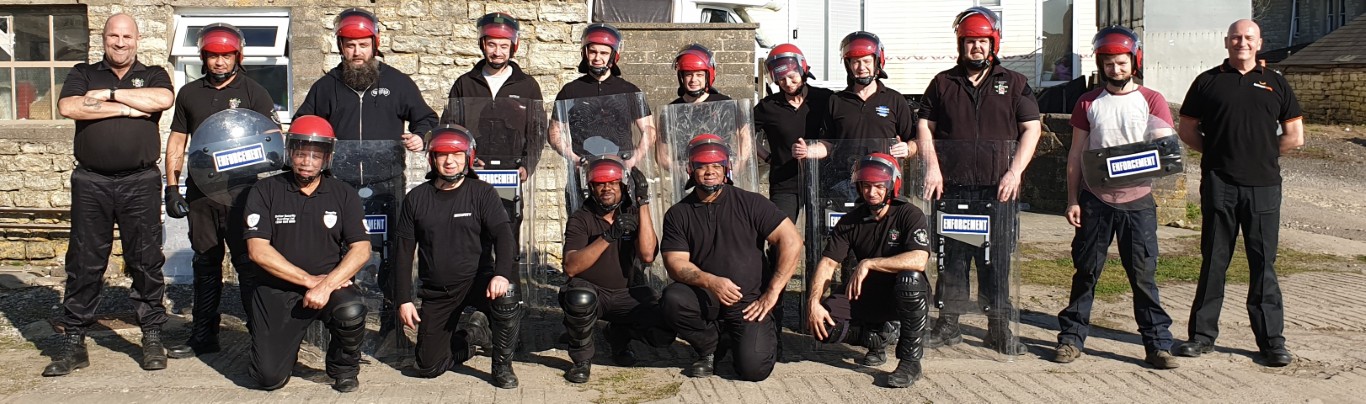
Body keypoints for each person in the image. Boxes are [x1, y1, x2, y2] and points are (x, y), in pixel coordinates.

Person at [295, 7, 438, 345]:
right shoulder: (326, 86)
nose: (356, 52)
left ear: (375, 44)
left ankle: (391, 328)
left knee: (391, 255)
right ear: (340, 46)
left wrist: (421, 137)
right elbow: (304, 125)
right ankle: (335, 325)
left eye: (362, 45)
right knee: (334, 253)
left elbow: (427, 118)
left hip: (386, 185)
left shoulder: (397, 83)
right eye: (349, 45)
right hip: (338, 187)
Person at [45, 13, 175, 377]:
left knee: (146, 259)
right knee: (84, 261)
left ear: (137, 39)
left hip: (140, 181)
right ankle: (74, 341)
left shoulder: (154, 73)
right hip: (91, 182)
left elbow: (163, 99)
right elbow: (69, 106)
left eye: (126, 36)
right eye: (113, 36)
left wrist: (109, 95)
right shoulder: (83, 73)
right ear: (103, 39)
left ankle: (152, 335)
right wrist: (129, 109)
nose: (120, 42)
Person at [1174, 19, 1303, 368]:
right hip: (1220, 185)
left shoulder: (1276, 82)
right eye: (1235, 37)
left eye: (1248, 37)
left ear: (1259, 43)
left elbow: (1295, 136)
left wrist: (1262, 154)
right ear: (1226, 42)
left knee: (1263, 265)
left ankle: (1272, 342)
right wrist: (1219, 154)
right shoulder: (1207, 82)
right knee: (1214, 261)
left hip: (1264, 188)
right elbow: (1187, 129)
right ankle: (1201, 337)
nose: (1241, 42)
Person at [917, 6, 1041, 355]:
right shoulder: (943, 83)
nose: (976, 47)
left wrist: (1015, 172)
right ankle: (948, 324)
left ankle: (998, 328)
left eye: (982, 41)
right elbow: (924, 125)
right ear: (961, 44)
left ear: (993, 43)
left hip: (997, 190)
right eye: (970, 41)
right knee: (952, 259)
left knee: (995, 261)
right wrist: (932, 167)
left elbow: (1032, 128)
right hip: (952, 189)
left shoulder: (1015, 83)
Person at [1053, 26, 1179, 369]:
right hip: (1095, 201)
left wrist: (1134, 162)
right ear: (1100, 64)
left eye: (1121, 63)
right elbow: (1076, 154)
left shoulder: (1152, 100)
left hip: (1138, 203)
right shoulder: (1088, 102)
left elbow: (1166, 152)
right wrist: (1072, 199)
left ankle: (1158, 344)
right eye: (1109, 63)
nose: (1115, 69)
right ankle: (1071, 338)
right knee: (1086, 272)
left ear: (1134, 61)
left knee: (1142, 276)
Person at [163, 22, 279, 359]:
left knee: (250, 264)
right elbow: (177, 141)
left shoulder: (255, 92)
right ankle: (203, 337)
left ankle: (262, 337)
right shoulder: (189, 94)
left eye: (226, 55)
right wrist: (172, 187)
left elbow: (274, 140)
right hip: (202, 194)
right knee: (205, 264)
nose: (219, 62)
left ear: (237, 57)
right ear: (203, 57)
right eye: (213, 55)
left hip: (244, 194)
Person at [658, 134, 803, 381]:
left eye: (717, 165)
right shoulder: (678, 213)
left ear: (727, 168)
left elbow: (791, 240)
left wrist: (772, 293)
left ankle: (739, 339)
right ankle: (709, 347)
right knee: (673, 300)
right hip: (706, 297)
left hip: (749, 304)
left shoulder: (752, 203)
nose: (710, 172)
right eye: (702, 166)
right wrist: (710, 281)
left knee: (753, 370)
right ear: (690, 169)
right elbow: (675, 263)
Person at [241, 116, 370, 392]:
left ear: (327, 158)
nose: (307, 162)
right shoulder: (265, 190)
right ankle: (279, 354)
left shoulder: (343, 193)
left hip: (328, 288)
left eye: (315, 155)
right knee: (268, 379)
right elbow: (257, 250)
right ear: (290, 153)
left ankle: (344, 368)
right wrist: (310, 281)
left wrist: (327, 285)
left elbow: (362, 249)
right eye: (301, 153)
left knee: (351, 311)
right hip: (276, 290)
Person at [392, 126, 525, 388]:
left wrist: (501, 274)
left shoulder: (482, 192)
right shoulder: (416, 199)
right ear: (432, 159)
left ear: (468, 157)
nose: (449, 161)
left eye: (456, 155)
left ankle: (502, 366)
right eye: (442, 155)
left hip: (479, 282)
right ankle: (473, 336)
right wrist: (403, 300)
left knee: (507, 293)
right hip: (439, 291)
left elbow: (504, 236)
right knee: (428, 367)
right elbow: (403, 252)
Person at [807, 153, 931, 388]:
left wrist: (869, 263)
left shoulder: (909, 214)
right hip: (865, 293)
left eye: (878, 186)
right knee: (820, 324)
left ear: (892, 186)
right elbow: (828, 263)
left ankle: (910, 362)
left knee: (911, 279)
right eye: (866, 186)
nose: (871, 192)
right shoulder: (849, 221)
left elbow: (919, 259)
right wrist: (813, 302)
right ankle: (876, 337)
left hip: (900, 295)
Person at [559, 155, 674, 383]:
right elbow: (570, 267)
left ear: (623, 186)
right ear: (591, 188)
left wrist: (643, 202)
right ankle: (582, 360)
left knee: (665, 328)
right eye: (600, 184)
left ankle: (619, 335)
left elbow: (648, 255)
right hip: (592, 293)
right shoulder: (581, 218)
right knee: (580, 299)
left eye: (613, 183)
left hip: (626, 294)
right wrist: (608, 236)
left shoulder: (633, 213)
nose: (607, 188)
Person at [792, 31, 915, 162]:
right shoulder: (836, 101)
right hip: (846, 174)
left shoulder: (895, 100)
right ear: (849, 65)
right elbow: (828, 144)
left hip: (883, 173)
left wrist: (908, 148)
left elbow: (914, 140)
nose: (861, 67)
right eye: (856, 62)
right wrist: (807, 151)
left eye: (867, 61)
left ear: (877, 62)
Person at [547, 23, 655, 169]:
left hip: (621, 168)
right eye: (593, 52)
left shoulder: (630, 91)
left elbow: (649, 131)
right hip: (584, 169)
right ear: (585, 53)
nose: (597, 58)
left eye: (603, 53)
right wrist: (575, 159)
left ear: (613, 55)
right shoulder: (570, 91)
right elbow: (554, 133)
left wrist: (634, 159)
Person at [754, 43, 834, 221]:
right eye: (781, 79)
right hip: (784, 183)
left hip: (822, 180)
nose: (788, 83)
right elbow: (742, 132)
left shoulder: (825, 99)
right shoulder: (768, 106)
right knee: (781, 233)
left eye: (792, 77)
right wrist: (766, 156)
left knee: (819, 234)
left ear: (803, 70)